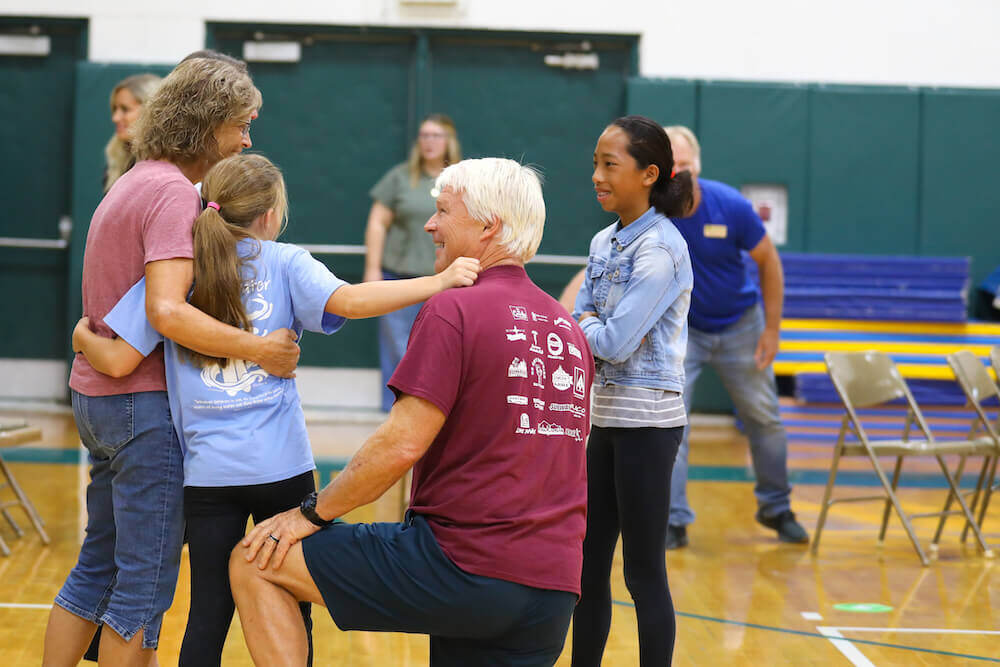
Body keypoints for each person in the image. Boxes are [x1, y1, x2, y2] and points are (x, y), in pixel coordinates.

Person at [71, 153, 481, 667]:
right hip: (284, 470)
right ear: (270, 215)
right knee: (288, 599)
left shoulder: (175, 270)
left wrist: (81, 336)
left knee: (209, 613)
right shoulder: (287, 261)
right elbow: (352, 300)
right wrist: (437, 282)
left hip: (208, 476)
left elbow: (117, 360)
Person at [229, 157, 594, 667]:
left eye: (443, 211)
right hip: (554, 588)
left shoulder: (453, 308)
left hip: (461, 569)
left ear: (488, 227)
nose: (429, 224)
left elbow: (400, 444)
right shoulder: (567, 328)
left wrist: (310, 514)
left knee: (256, 560)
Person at [42, 57, 300, 667]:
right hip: (140, 408)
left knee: (96, 569)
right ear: (209, 125)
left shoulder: (135, 178)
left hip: (100, 398)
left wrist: (84, 341)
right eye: (241, 125)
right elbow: (167, 311)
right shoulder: (169, 194)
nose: (247, 139)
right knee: (143, 587)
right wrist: (259, 348)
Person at [570, 116, 693, 667]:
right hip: (606, 421)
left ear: (649, 174)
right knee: (587, 564)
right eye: (595, 163)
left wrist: (590, 323)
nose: (597, 175)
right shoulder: (604, 240)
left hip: (649, 426)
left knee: (643, 572)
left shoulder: (661, 250)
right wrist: (592, 322)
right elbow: (586, 316)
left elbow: (613, 340)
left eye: (609, 165)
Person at [661, 125, 807, 549]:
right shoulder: (653, 213)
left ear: (697, 166)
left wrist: (773, 329)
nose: (678, 173)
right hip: (683, 328)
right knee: (674, 425)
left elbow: (769, 262)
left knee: (764, 418)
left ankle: (777, 508)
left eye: (684, 165)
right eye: (670, 166)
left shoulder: (730, 206)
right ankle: (672, 520)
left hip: (742, 325)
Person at [363, 113, 462, 411]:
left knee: (440, 348)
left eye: (436, 136)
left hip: (446, 282)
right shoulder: (400, 177)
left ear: (449, 141)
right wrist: (372, 268)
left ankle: (433, 411)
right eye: (424, 136)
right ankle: (394, 412)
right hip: (400, 278)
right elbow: (377, 222)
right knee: (398, 347)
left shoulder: (461, 180)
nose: (429, 142)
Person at [103, 74, 162, 192]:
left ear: (150, 110)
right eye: (115, 109)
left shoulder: (166, 162)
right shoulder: (117, 157)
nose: (115, 118)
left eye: (125, 109)